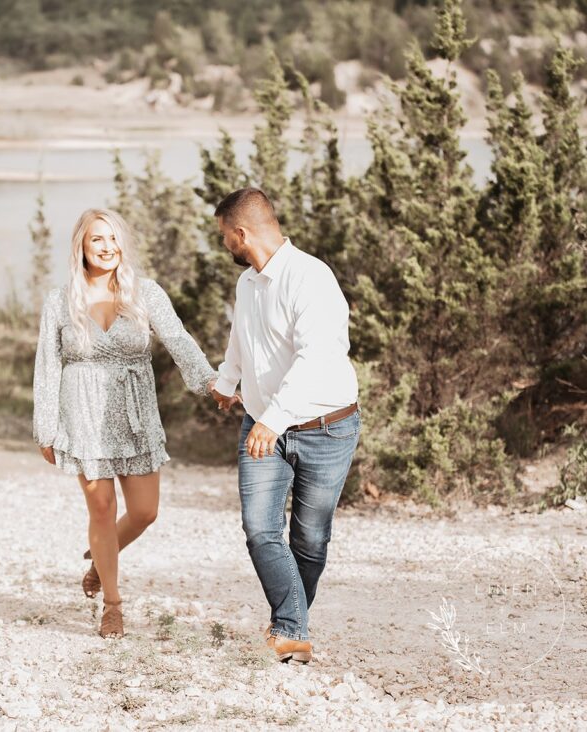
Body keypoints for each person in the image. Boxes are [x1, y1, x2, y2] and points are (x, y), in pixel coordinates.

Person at [33, 208, 217, 639]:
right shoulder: (60, 301)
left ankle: (100, 559)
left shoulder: (145, 293)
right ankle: (112, 605)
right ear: (81, 244)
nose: (107, 247)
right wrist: (45, 426)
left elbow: (177, 339)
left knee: (145, 512)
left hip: (135, 414)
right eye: (98, 239)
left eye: (114, 239)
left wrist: (209, 381)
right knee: (101, 508)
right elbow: (48, 364)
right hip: (82, 415)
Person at [209, 187, 360, 663]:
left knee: (310, 538)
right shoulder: (247, 283)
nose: (224, 247)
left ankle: (289, 624)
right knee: (259, 529)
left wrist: (273, 419)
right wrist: (227, 380)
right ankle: (292, 628)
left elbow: (316, 358)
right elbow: (242, 338)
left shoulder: (311, 278)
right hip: (263, 425)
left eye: (224, 238)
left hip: (326, 427)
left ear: (241, 233)